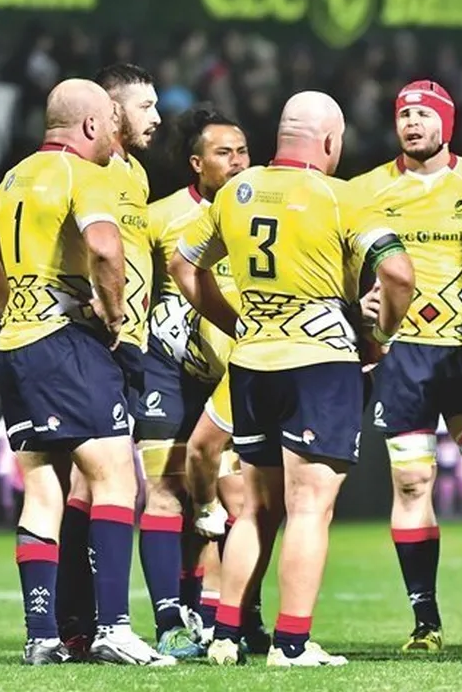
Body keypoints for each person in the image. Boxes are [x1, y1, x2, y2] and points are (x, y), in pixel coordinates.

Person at [171, 90, 415, 666]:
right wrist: (382, 336)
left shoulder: (237, 191)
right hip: (318, 365)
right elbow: (399, 275)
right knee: (310, 507)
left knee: (255, 508)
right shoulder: (341, 196)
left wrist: (236, 322)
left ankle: (225, 635)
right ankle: (292, 643)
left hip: (251, 364)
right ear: (330, 141)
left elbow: (183, 264)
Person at [0, 78, 172, 666]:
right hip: (66, 343)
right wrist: (113, 315)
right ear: (92, 125)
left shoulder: (10, 181)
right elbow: (105, 248)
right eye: (109, 122)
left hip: (14, 344)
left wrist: (16, 308)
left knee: (43, 487)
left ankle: (42, 637)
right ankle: (114, 627)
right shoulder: (84, 174)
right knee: (116, 477)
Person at [351, 80, 462, 652]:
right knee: (412, 479)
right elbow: (337, 256)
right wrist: (354, 305)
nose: (412, 122)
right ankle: (426, 623)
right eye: (404, 114)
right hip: (404, 355)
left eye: (424, 114)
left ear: (448, 122)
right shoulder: (364, 190)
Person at [135, 105, 256, 657]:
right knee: (166, 489)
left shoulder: (261, 213)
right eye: (223, 153)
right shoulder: (159, 217)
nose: (237, 162)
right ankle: (170, 623)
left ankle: (223, 617)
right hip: (168, 371)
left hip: (235, 373)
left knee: (235, 498)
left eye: (243, 151)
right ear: (196, 163)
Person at [56, 63, 162, 656]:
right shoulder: (83, 170)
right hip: (96, 341)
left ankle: (82, 622)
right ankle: (84, 621)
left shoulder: (135, 174)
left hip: (132, 343)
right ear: (112, 112)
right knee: (99, 480)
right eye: (146, 106)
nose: (157, 117)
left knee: (102, 483)